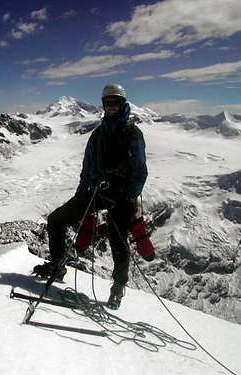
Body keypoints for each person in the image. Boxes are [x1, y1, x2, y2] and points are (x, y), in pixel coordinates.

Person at [33, 83, 154, 309]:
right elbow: (87, 168)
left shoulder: (132, 133)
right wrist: (81, 197)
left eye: (115, 103)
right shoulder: (98, 135)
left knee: (117, 240)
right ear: (103, 105)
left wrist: (129, 197)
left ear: (122, 104)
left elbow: (140, 170)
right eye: (108, 104)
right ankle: (57, 265)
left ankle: (118, 286)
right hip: (97, 191)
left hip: (122, 196)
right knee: (57, 219)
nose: (111, 108)